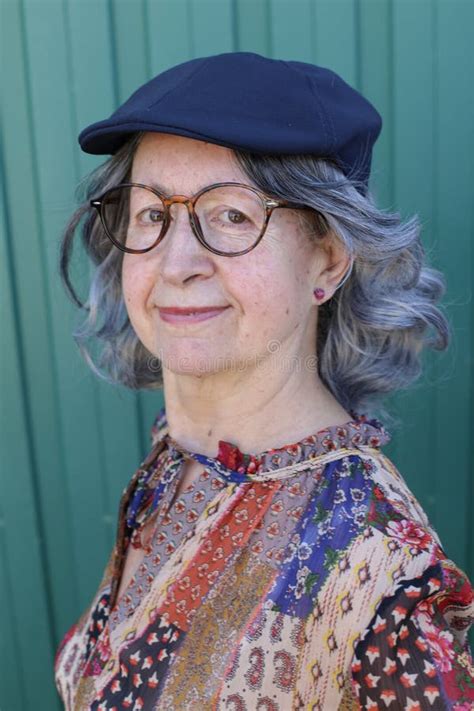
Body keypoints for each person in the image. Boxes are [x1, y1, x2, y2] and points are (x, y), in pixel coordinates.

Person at [53, 51, 473, 710]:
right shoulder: (178, 461)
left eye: (231, 215)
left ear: (328, 258)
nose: (176, 262)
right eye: (151, 214)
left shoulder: (381, 573)